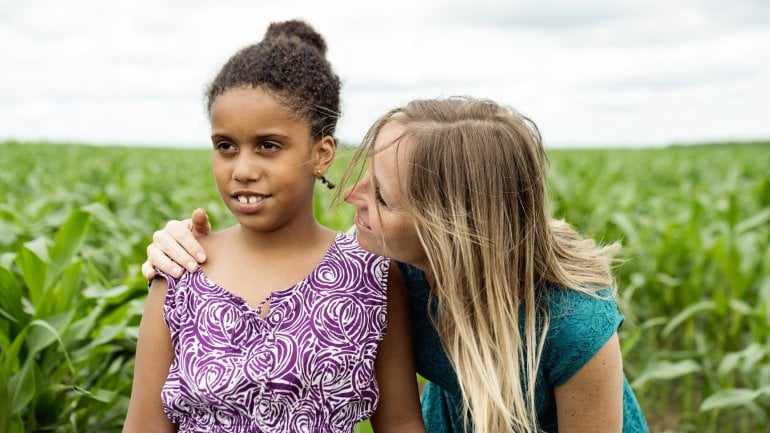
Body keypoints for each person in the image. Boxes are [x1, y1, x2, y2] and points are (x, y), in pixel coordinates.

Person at [143, 97, 650, 433]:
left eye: (382, 197)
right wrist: (176, 245)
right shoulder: (387, 269)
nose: (352, 195)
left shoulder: (572, 325)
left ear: (446, 229)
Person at [123, 20, 425, 433]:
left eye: (268, 146)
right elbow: (143, 426)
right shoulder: (181, 271)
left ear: (321, 154)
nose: (243, 170)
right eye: (226, 146)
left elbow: (402, 422)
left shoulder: (370, 274)